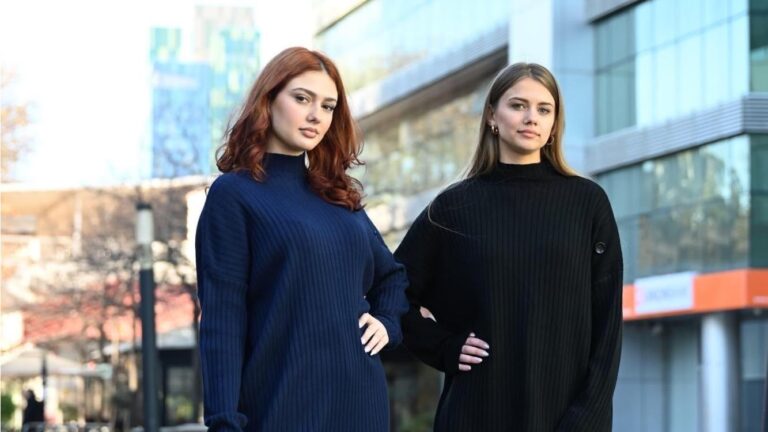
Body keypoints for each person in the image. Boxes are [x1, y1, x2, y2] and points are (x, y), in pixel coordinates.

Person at [394, 62, 623, 431]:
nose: (531, 117)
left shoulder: (587, 203)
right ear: (491, 116)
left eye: (543, 109)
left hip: (564, 418)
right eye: (518, 105)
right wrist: (444, 347)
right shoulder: (453, 208)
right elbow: (391, 291)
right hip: (474, 414)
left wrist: (587, 419)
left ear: (553, 124)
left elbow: (608, 324)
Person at [196, 47, 409, 431]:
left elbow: (392, 277)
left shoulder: (338, 196)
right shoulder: (234, 194)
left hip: (361, 403)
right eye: (302, 99)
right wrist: (224, 422)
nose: (316, 116)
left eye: (328, 106)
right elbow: (222, 321)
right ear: (269, 99)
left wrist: (387, 323)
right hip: (282, 407)